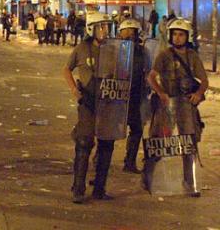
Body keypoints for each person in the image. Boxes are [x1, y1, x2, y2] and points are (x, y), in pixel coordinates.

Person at [145, 18, 207, 197]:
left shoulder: (192, 56)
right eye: (175, 34)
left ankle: (190, 183)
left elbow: (204, 80)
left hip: (185, 106)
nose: (178, 38)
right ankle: (148, 177)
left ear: (187, 37)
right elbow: (151, 77)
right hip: (167, 105)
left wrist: (197, 95)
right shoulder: (164, 55)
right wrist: (161, 93)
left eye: (181, 35)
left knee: (189, 143)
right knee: (159, 142)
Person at [63, 11, 115, 203]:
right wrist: (74, 90)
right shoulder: (81, 49)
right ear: (91, 29)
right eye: (101, 26)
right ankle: (78, 188)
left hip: (109, 103)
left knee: (107, 145)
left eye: (106, 26)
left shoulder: (113, 49)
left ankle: (100, 188)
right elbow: (66, 69)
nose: (104, 30)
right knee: (84, 143)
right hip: (88, 102)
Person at [118, 19, 149, 174]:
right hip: (117, 96)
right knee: (109, 130)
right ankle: (99, 161)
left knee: (136, 129)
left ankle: (129, 162)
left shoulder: (143, 52)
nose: (130, 34)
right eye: (127, 31)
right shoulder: (114, 50)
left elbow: (149, 71)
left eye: (133, 31)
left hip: (136, 96)